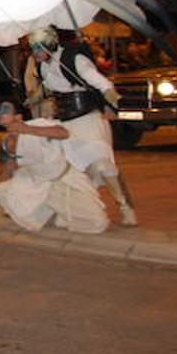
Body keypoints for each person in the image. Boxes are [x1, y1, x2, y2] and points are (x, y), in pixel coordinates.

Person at [0, 101, 109, 243]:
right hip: (37, 184)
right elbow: (8, 171)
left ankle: (56, 213)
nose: (0, 113)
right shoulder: (6, 142)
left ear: (18, 117)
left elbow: (63, 133)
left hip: (64, 180)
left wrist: (28, 129)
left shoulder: (37, 123)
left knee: (98, 223)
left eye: (6, 111)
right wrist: (7, 193)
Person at [25, 26, 136, 226]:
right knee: (67, 172)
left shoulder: (74, 60)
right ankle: (69, 209)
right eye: (33, 49)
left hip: (89, 121)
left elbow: (102, 83)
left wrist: (112, 100)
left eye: (39, 48)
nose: (36, 53)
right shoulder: (43, 67)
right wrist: (34, 97)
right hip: (66, 124)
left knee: (103, 166)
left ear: (51, 44)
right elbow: (49, 86)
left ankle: (125, 207)